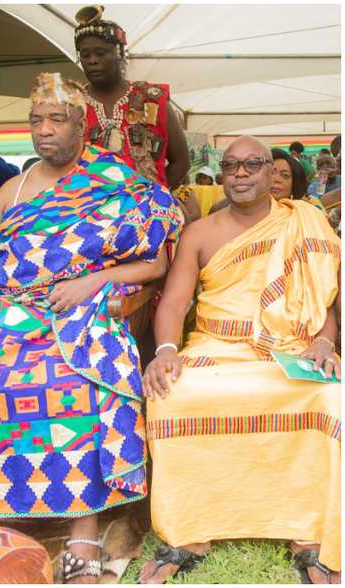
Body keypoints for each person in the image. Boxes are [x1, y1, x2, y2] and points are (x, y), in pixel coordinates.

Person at [0, 73, 180, 583]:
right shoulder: (16, 185)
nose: (44, 131)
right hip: (7, 312)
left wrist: (96, 279)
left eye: (57, 120)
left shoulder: (116, 181)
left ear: (82, 126)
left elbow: (156, 267)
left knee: (73, 385)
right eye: (36, 120)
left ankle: (82, 529)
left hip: (82, 312)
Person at [140, 136, 341, 584]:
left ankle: (308, 534)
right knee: (170, 396)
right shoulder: (200, 232)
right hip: (214, 348)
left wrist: (326, 344)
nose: (241, 174)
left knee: (329, 400)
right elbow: (173, 303)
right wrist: (167, 351)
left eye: (253, 165)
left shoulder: (305, 222)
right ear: (222, 174)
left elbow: (325, 302)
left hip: (288, 350)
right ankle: (188, 532)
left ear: (273, 174)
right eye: (231, 166)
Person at [74, 5, 189, 188]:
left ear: (119, 53)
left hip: (147, 211)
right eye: (85, 55)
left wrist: (155, 195)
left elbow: (181, 162)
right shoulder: (73, 104)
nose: (92, 60)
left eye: (100, 53)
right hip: (88, 212)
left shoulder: (152, 100)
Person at [209, 148, 308, 214]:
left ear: (294, 185)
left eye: (285, 175)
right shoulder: (223, 209)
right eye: (270, 173)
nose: (277, 179)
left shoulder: (304, 214)